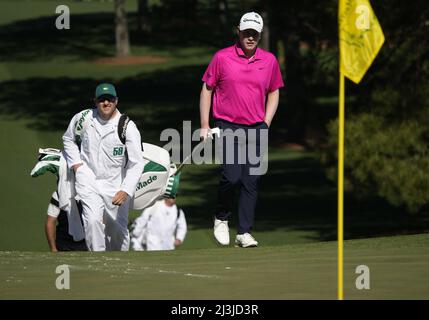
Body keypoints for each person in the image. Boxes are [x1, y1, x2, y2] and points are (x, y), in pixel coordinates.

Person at [199, 12, 284, 247]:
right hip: (228, 124)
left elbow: (274, 91)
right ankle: (221, 217)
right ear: (238, 30)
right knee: (232, 176)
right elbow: (207, 89)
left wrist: (266, 122)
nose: (250, 37)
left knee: (251, 181)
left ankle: (244, 232)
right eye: (246, 32)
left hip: (256, 127)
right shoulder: (222, 58)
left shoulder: (269, 61)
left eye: (254, 33)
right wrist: (205, 124)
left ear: (260, 34)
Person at [62, 83, 145, 251]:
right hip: (88, 180)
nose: (106, 103)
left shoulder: (127, 126)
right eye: (101, 100)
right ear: (95, 101)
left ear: (116, 101)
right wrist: (77, 165)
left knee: (117, 231)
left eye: (110, 99)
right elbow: (68, 139)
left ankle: (120, 264)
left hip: (116, 185)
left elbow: (136, 163)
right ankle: (99, 261)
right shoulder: (83, 118)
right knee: (92, 221)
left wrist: (126, 190)